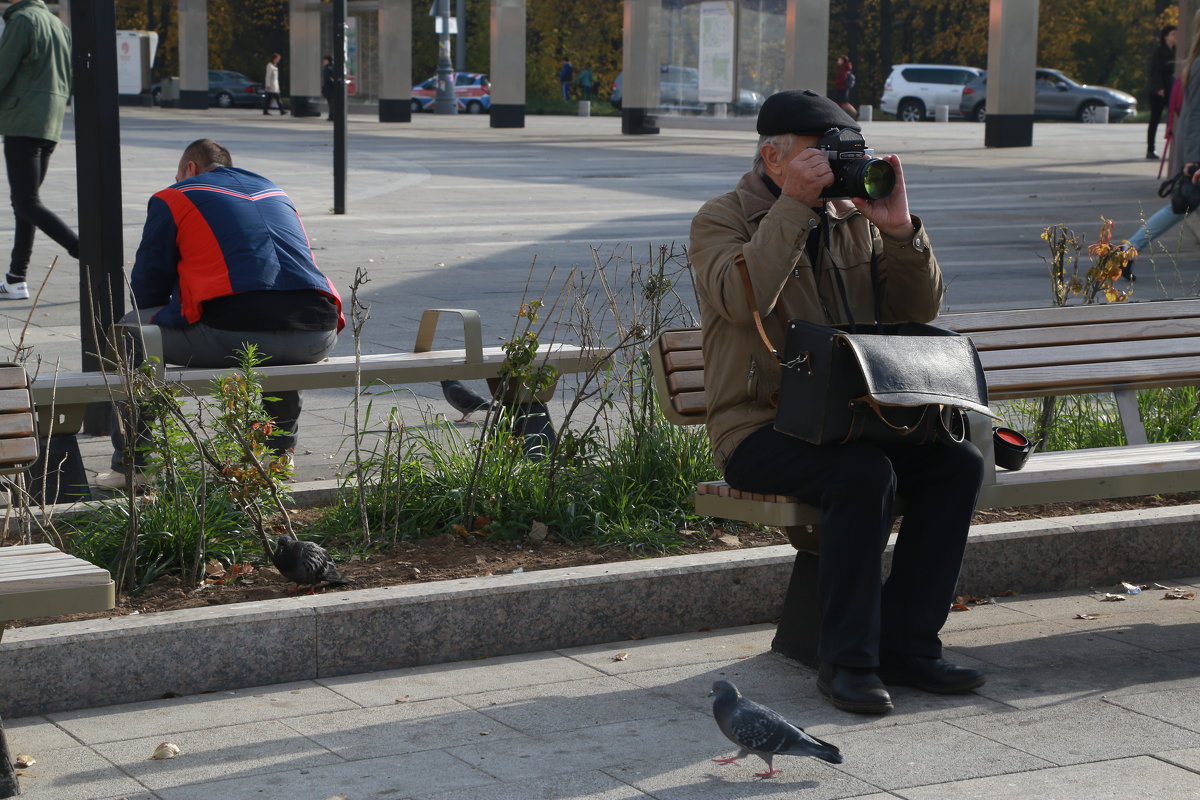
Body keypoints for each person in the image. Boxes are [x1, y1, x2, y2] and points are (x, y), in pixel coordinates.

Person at [689, 89, 985, 715]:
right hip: (761, 428)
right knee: (862, 476)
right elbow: (742, 303)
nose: (834, 169)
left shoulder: (853, 218)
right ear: (773, 159)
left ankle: (908, 645)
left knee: (957, 466)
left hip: (857, 419)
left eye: (843, 155)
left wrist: (901, 232)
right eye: (819, 156)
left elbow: (916, 312)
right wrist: (794, 209)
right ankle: (847, 662)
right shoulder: (721, 220)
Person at [98, 139, 344, 488]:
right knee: (277, 333)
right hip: (317, 333)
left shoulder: (176, 196)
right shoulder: (276, 192)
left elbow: (148, 285)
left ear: (190, 169)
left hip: (234, 331)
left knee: (132, 332)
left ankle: (132, 467)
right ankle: (278, 457)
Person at [0, 0, 79, 301]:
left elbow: (3, 68)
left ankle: (84, 251)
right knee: (24, 203)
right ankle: (16, 278)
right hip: (49, 123)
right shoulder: (59, 25)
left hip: (23, 120)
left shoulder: (23, 20)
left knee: (26, 201)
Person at [1147, 25, 1177, 161]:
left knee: (1173, 119)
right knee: (1155, 119)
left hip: (1172, 89)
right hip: (1159, 90)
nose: (1175, 37)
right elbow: (1155, 71)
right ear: (1166, 36)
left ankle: (1174, 147)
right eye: (1172, 34)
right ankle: (1150, 149)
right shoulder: (1159, 52)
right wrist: (1159, 88)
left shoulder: (1177, 51)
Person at [321, 54, 338, 120]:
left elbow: (327, 78)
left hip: (329, 88)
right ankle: (332, 115)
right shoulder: (333, 67)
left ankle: (332, 116)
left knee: (331, 103)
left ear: (328, 61)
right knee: (331, 102)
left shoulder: (327, 68)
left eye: (325, 60)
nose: (324, 61)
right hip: (332, 88)